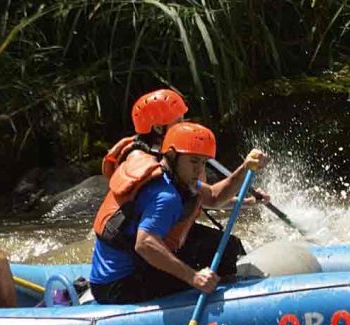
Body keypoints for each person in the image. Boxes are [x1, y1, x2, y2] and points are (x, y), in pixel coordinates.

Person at [89, 122, 267, 304]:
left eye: (203, 162)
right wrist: (194, 277)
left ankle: (225, 289)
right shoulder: (165, 196)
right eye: (193, 161)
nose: (199, 170)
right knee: (221, 253)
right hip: (120, 287)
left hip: (119, 274)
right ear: (173, 155)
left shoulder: (171, 176)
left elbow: (214, 196)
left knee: (225, 244)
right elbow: (145, 244)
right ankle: (231, 304)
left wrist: (246, 175)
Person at [102, 89, 189, 179]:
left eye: (183, 120)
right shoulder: (138, 158)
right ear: (158, 128)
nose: (184, 126)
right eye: (179, 122)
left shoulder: (161, 148)